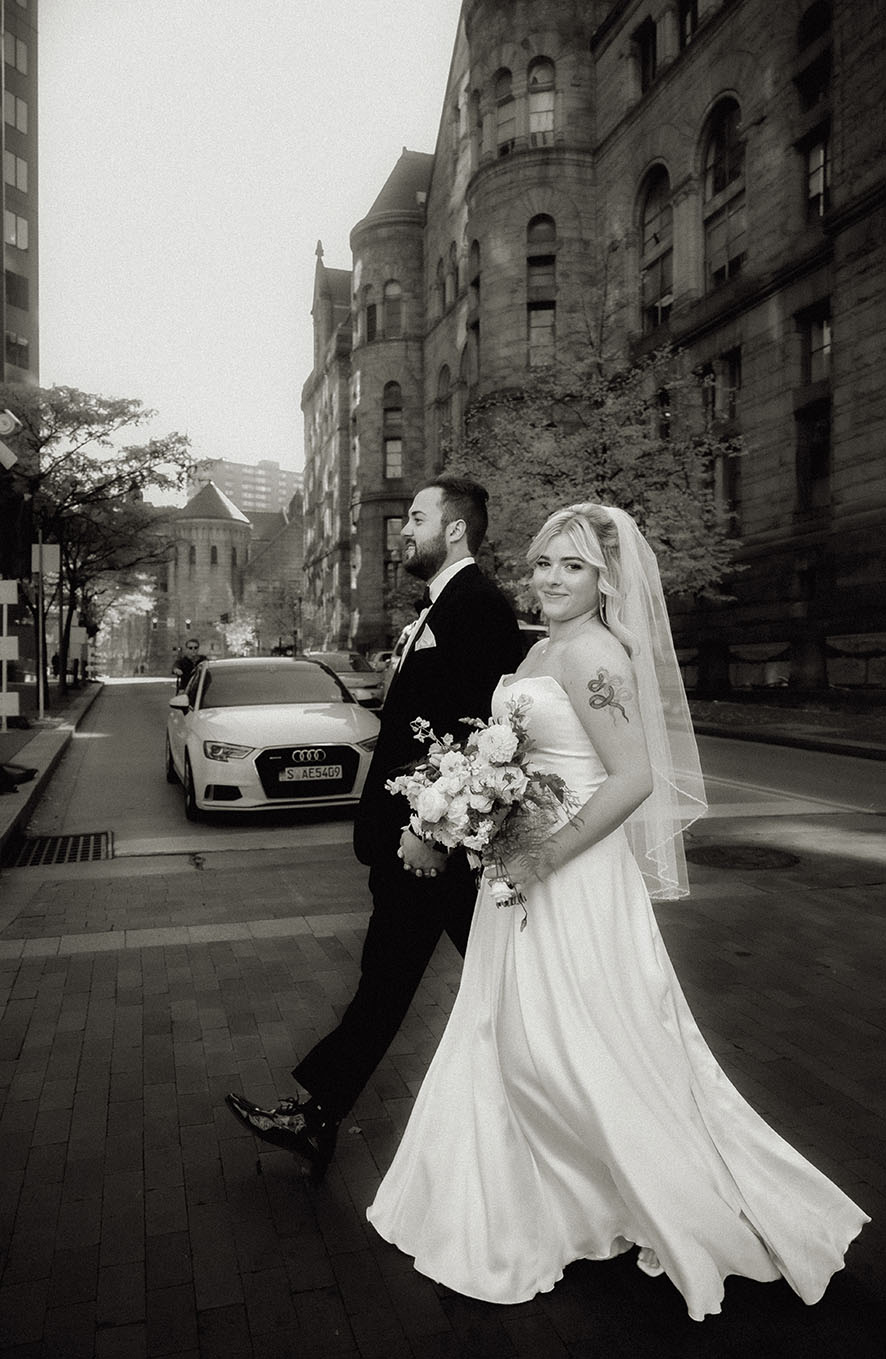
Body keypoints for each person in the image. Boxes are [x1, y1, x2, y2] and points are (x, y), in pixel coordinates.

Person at [365, 503, 868, 1322]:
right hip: (519, 868)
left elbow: (632, 779)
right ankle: (542, 1194)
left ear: (605, 579)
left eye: (572, 566)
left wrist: (540, 856)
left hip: (570, 877)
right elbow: (522, 759)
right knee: (514, 1038)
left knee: (573, 1045)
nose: (552, 579)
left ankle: (647, 1190)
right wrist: (461, 807)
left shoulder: (597, 653)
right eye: (542, 565)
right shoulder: (539, 647)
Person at [226, 476, 524, 1177]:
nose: (405, 530)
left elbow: (479, 732)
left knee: (405, 980)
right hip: (417, 838)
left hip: (432, 844)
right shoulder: (441, 605)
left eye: (416, 518)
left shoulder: (477, 603)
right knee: (410, 980)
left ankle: (318, 1114)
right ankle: (318, 1115)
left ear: (454, 529)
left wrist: (435, 827)